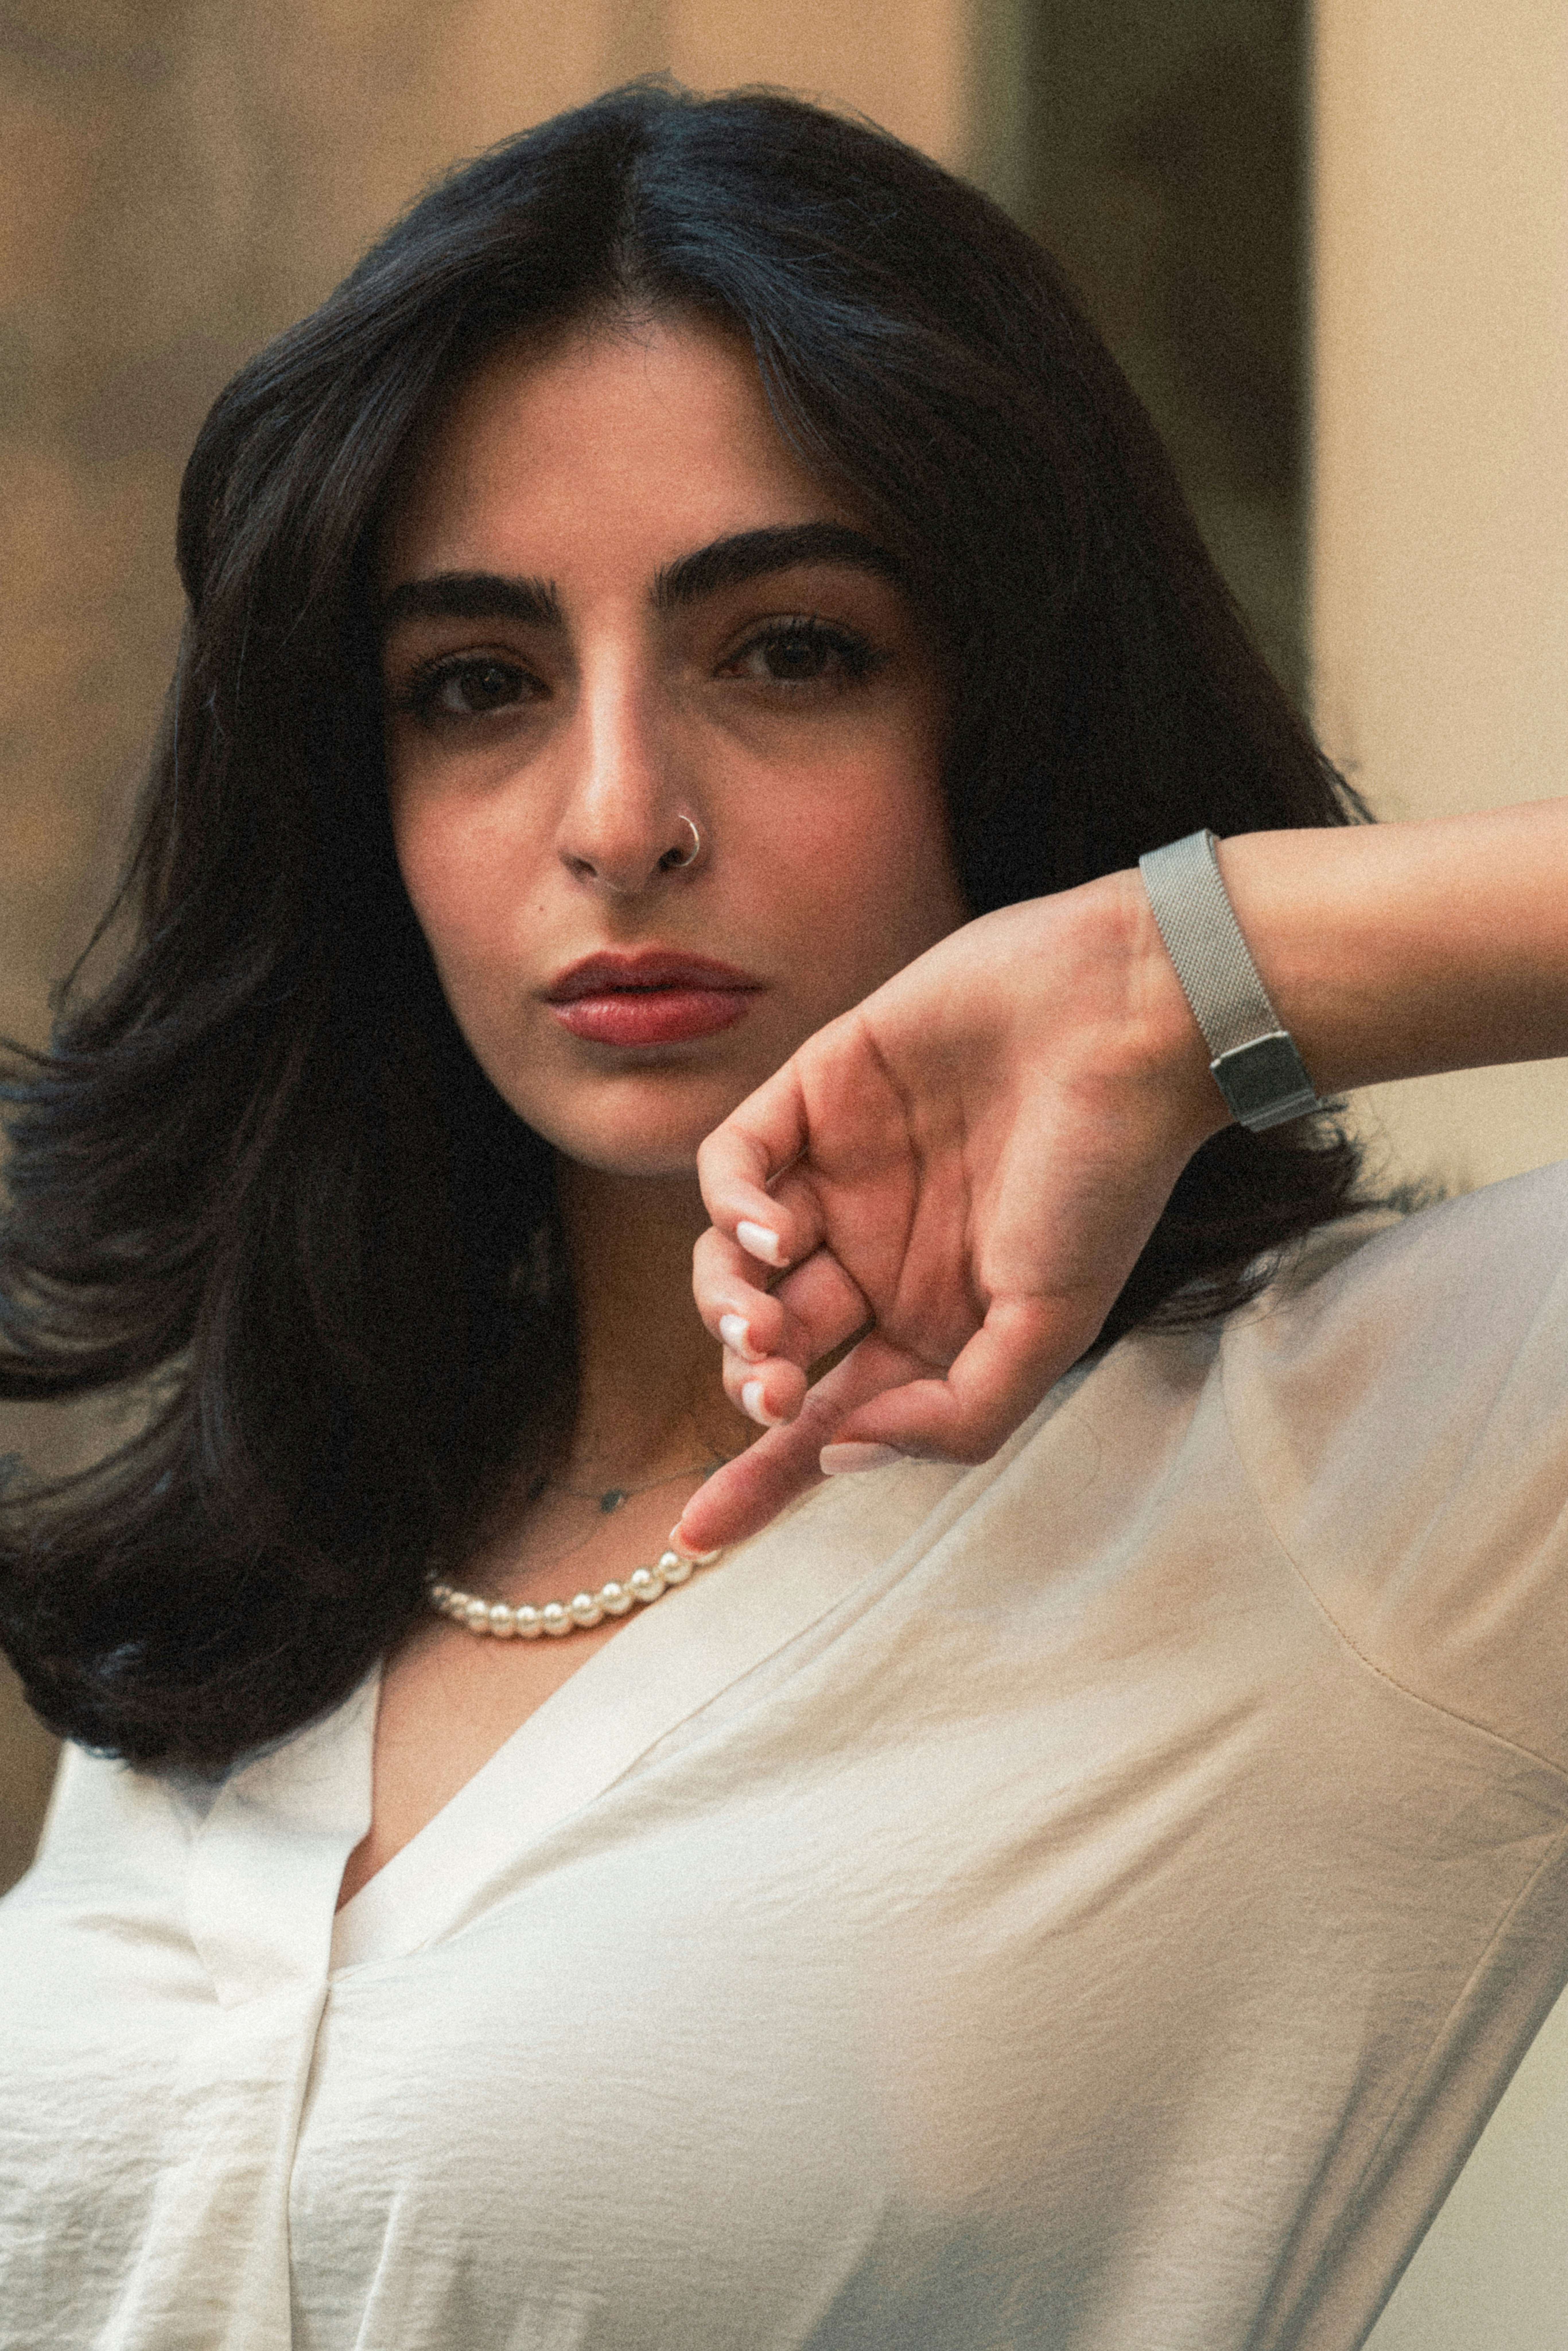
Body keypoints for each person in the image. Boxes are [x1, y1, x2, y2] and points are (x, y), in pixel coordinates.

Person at [1, 80, 1565, 2351]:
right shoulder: (274, 1554)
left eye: (793, 650)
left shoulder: (1365, 1466)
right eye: (478, 687)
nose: (618, 813)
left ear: (1016, 704)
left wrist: (1176, 966)